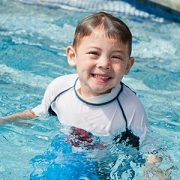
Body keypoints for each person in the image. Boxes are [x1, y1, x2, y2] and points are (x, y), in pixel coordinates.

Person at [1, 12, 161, 168]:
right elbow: (36, 114)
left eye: (116, 57)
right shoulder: (59, 88)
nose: (104, 63)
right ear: (72, 56)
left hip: (103, 166)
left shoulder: (130, 107)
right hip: (63, 154)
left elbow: (150, 149)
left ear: (128, 65)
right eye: (94, 53)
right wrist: (4, 121)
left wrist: (153, 170)